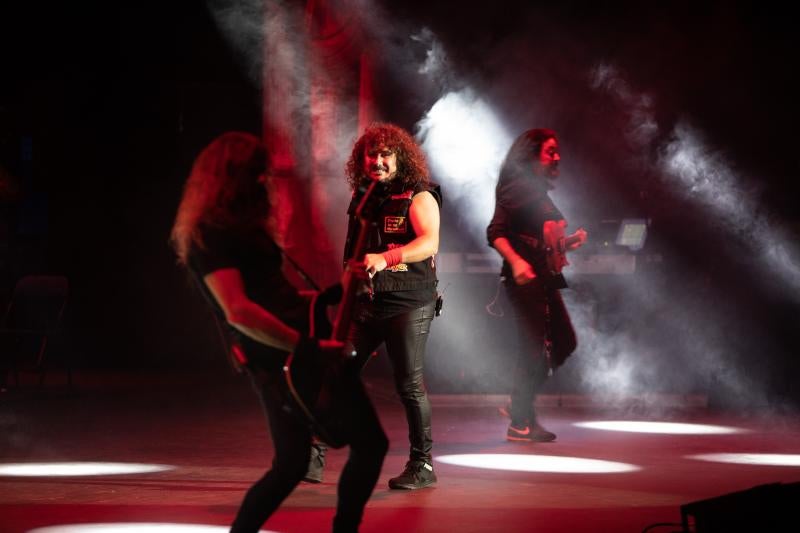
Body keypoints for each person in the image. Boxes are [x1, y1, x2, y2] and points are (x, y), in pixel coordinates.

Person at [171, 132, 388, 533]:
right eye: (258, 173)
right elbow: (238, 310)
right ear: (234, 176)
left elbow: (277, 297)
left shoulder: (244, 230)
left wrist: (336, 291)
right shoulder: (211, 235)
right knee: (349, 449)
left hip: (295, 354)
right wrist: (307, 347)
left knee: (299, 463)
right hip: (280, 361)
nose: (266, 181)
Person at [317, 122, 441, 490]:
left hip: (409, 302)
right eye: (372, 154)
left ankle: (423, 465)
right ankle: (312, 452)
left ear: (401, 158)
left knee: (409, 385)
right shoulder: (364, 197)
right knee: (336, 370)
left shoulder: (419, 194)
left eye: (386, 154)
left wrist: (385, 259)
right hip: (368, 303)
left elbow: (430, 243)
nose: (378, 161)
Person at [486, 128, 587, 443]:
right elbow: (495, 232)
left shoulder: (538, 193)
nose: (557, 157)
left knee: (564, 341)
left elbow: (543, 242)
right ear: (532, 155)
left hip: (544, 277)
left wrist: (568, 243)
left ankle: (520, 403)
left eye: (557, 151)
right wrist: (517, 262)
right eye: (550, 151)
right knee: (532, 348)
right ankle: (520, 420)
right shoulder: (515, 188)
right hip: (524, 279)